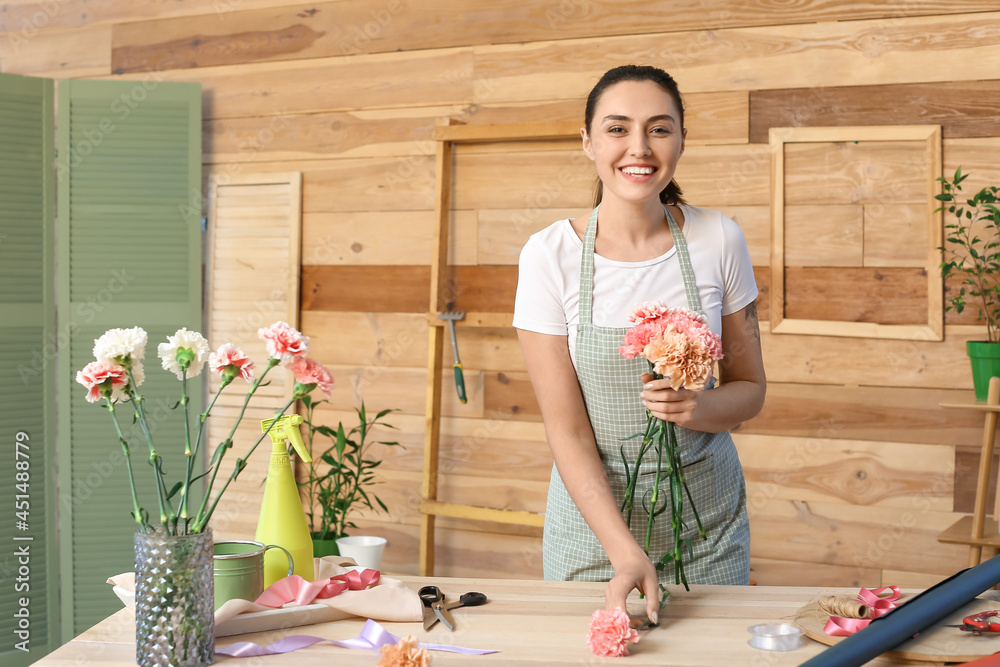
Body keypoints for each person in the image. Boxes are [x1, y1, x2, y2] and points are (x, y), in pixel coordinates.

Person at [512, 65, 766, 624]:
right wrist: (622, 549)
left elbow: (750, 391)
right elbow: (568, 430)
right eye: (617, 129)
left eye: (659, 128)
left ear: (680, 139)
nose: (639, 148)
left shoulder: (719, 238)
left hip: (707, 523)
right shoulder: (548, 255)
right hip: (593, 527)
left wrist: (699, 408)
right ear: (588, 142)